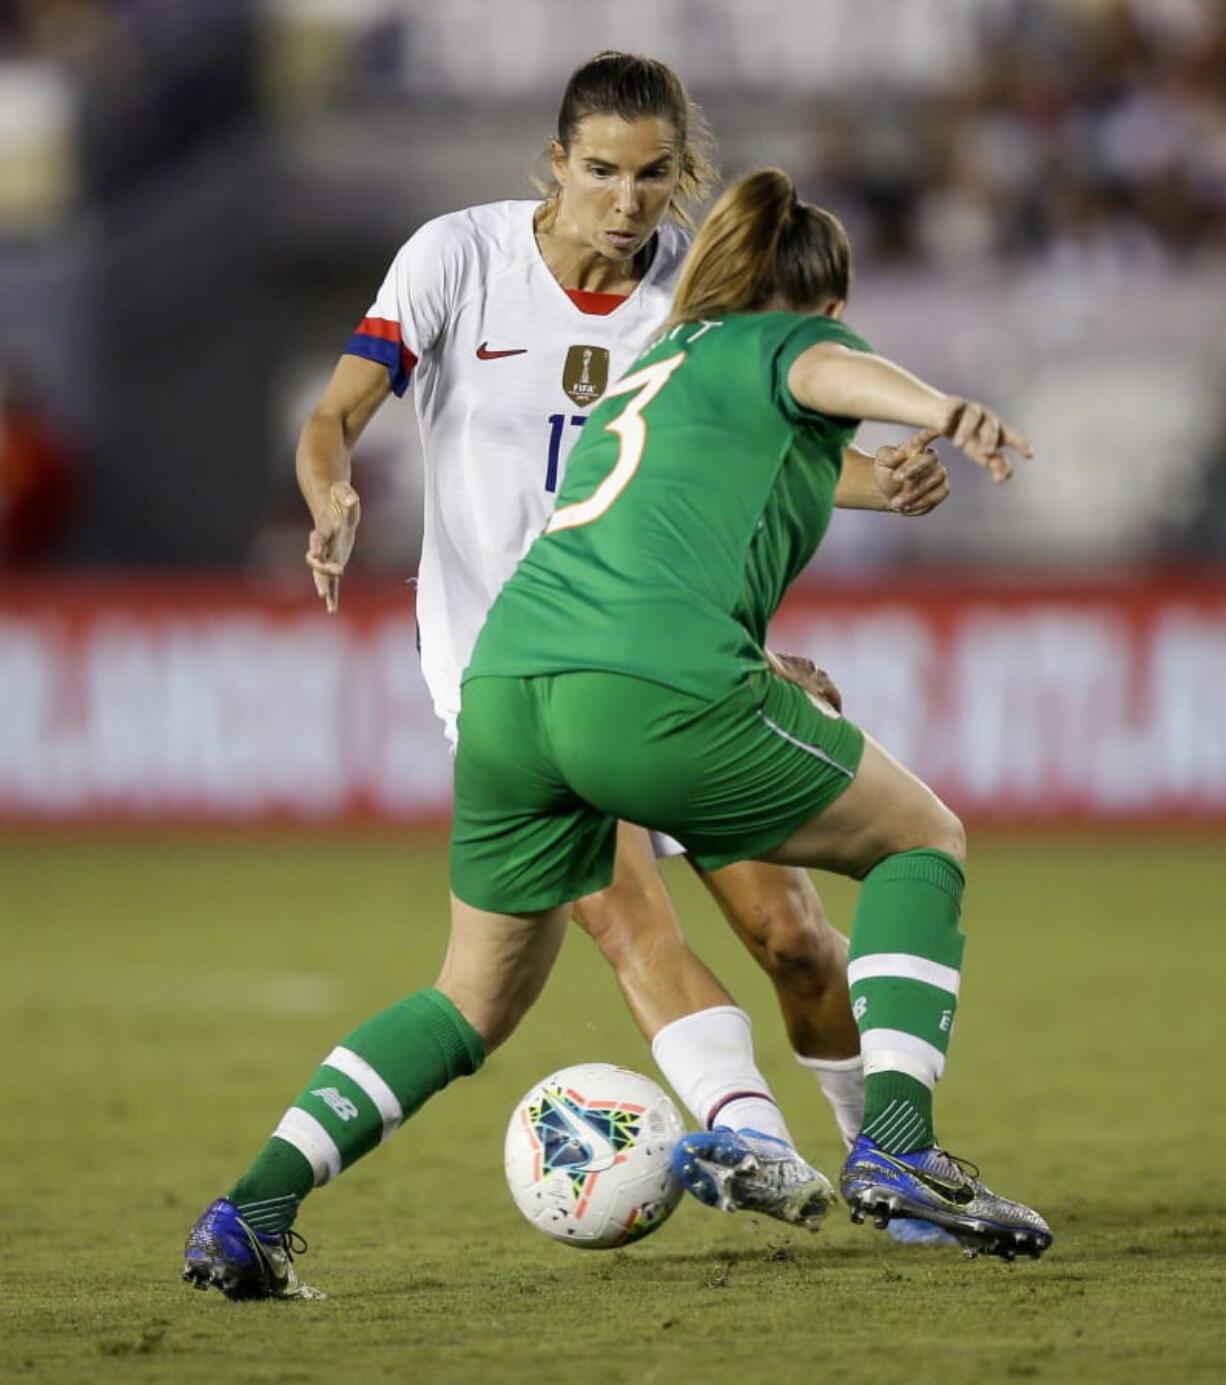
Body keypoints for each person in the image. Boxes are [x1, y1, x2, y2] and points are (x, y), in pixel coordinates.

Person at [293, 53, 955, 1238]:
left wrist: (872, 487)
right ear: (553, 165)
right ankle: (753, 1139)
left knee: (795, 940)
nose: (627, 199)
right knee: (631, 916)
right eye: (600, 170)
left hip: (663, 654)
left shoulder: (693, 297)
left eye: (652, 175)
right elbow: (334, 411)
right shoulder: (458, 257)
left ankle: (882, 1165)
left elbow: (727, 467)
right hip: (508, 677)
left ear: (680, 176)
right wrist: (330, 490)